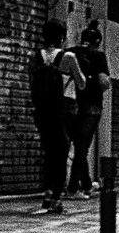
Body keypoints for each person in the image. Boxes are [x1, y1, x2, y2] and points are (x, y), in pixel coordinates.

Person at [29, 19, 86, 214]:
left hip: (43, 111)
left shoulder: (36, 57)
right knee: (61, 154)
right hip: (65, 109)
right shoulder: (68, 56)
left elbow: (32, 85)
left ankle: (47, 192)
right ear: (62, 36)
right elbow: (82, 83)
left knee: (49, 152)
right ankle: (55, 198)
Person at [66, 20, 111, 199]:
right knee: (82, 147)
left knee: (78, 144)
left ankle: (86, 184)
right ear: (97, 42)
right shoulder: (98, 56)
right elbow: (103, 82)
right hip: (91, 106)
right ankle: (72, 188)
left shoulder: (69, 52)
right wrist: (107, 82)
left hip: (70, 104)